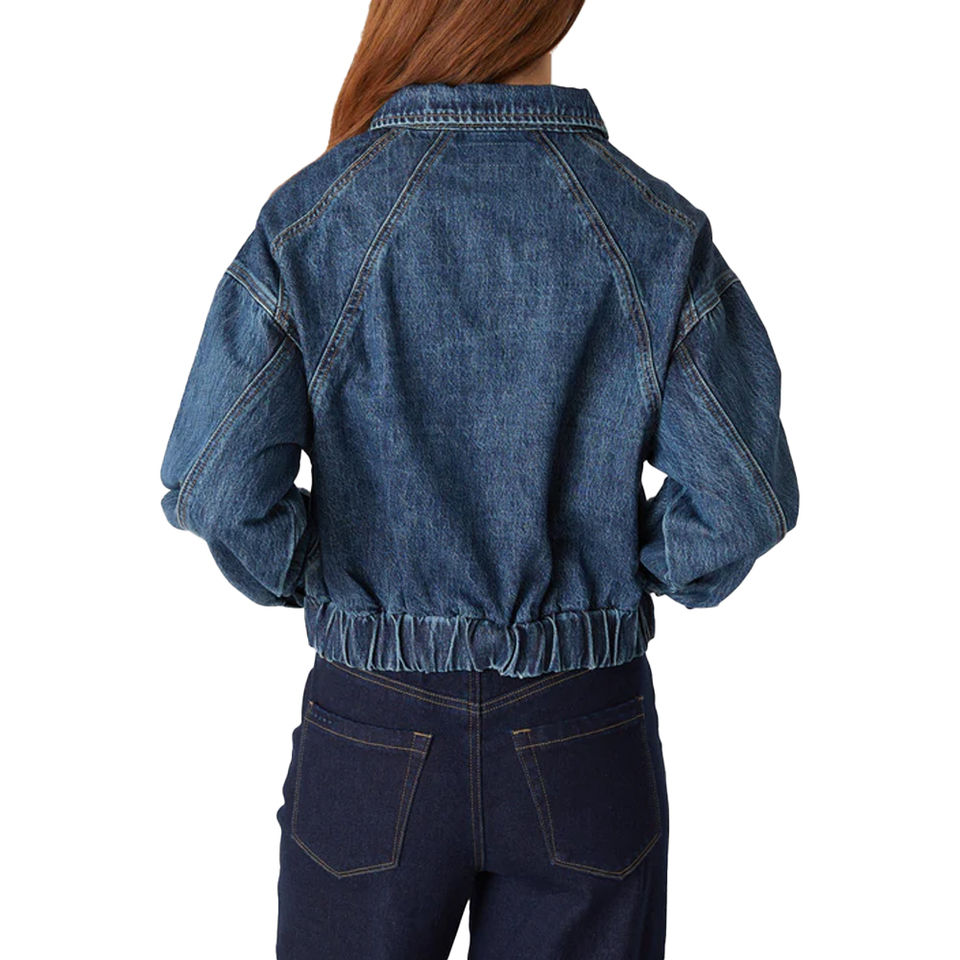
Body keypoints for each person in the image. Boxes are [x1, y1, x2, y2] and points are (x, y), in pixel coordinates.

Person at [158, 1, 799, 957]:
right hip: (584, 729)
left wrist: (318, 572)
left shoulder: (314, 219)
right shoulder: (654, 227)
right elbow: (743, 497)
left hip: (374, 731)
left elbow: (214, 484)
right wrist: (619, 577)